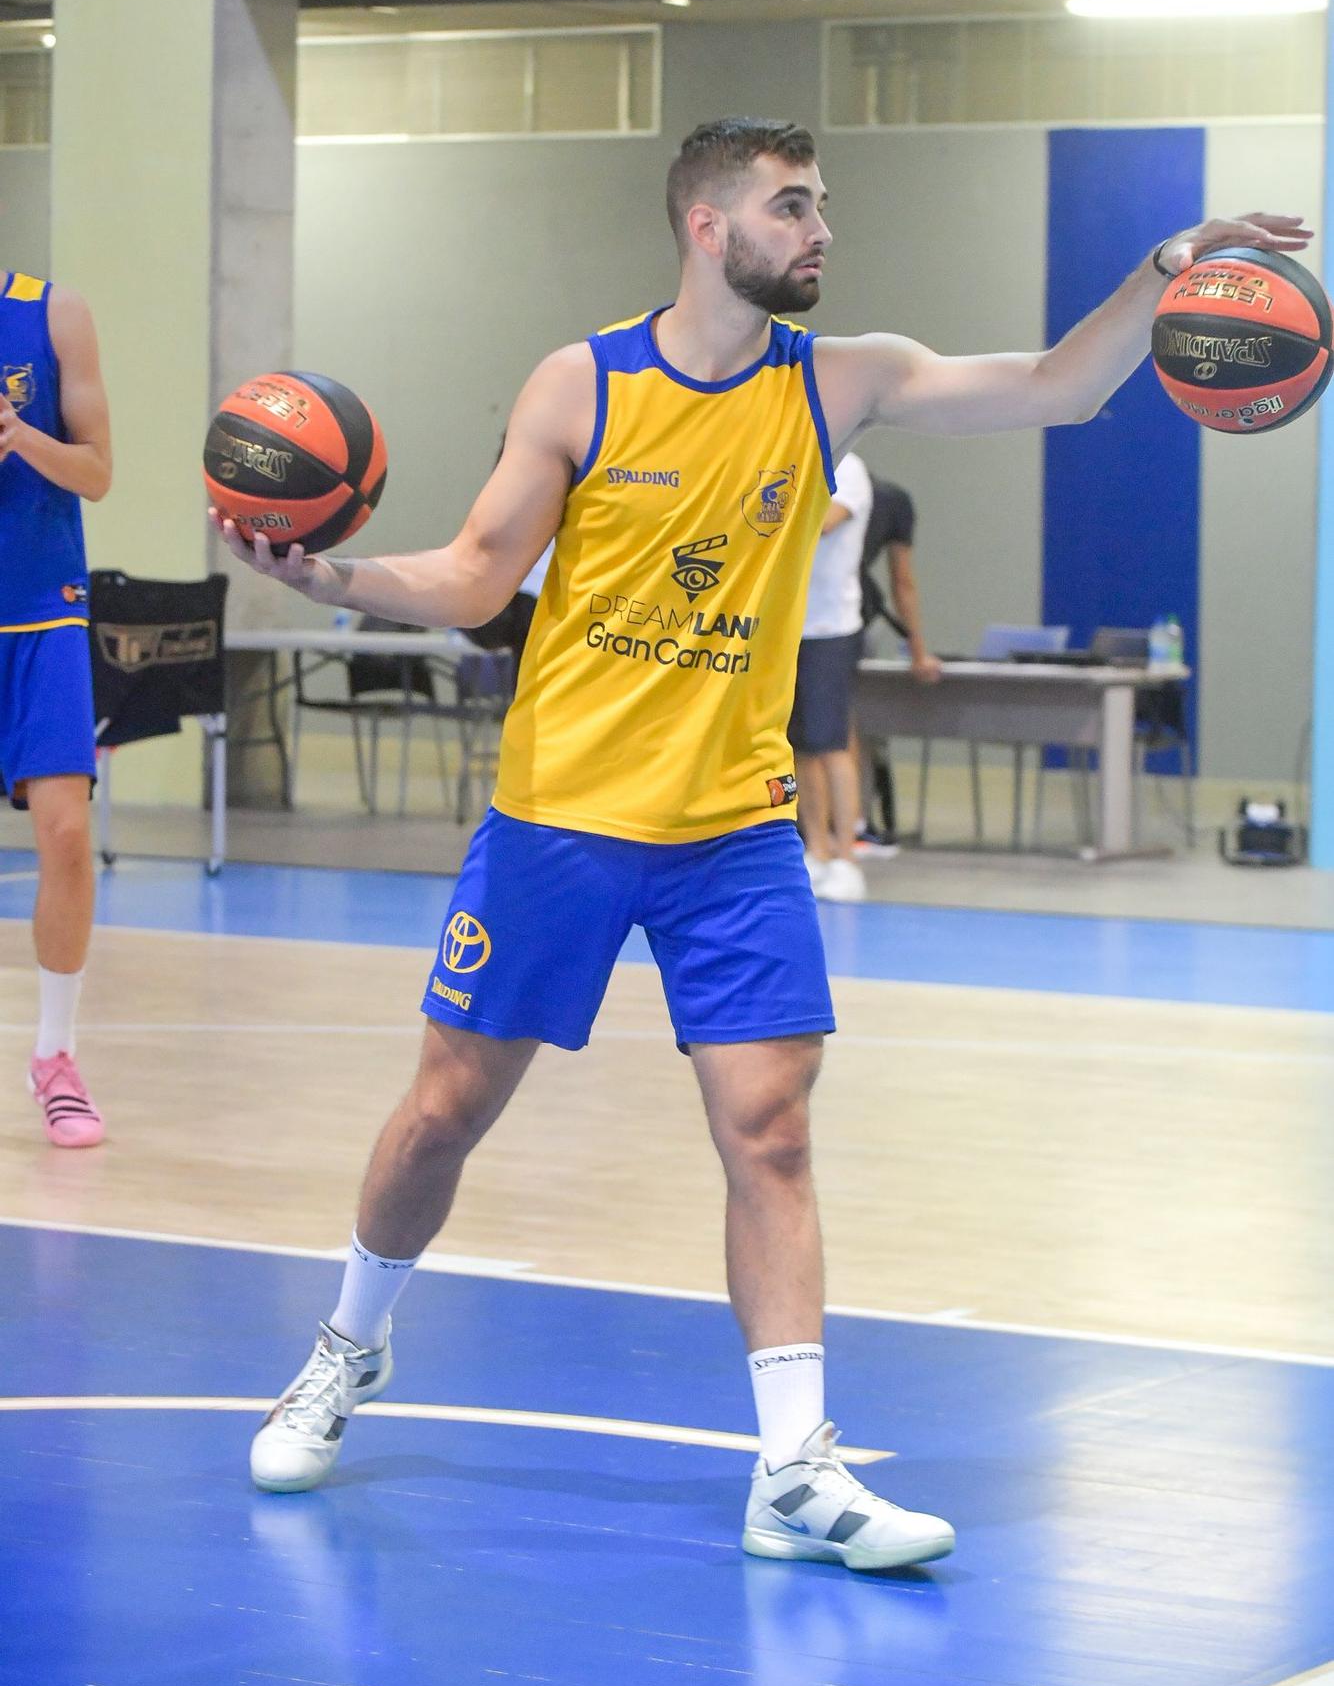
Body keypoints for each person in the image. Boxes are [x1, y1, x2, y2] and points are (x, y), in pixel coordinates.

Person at [213, 121, 1307, 1570]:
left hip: (733, 827)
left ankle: (792, 1469)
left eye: (820, 205)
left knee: (771, 1133)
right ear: (704, 226)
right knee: (441, 1116)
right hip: (561, 816)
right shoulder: (581, 382)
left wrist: (1164, 271)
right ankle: (348, 1345)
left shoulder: (836, 381)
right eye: (790, 207)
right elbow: (479, 573)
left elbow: (1053, 385)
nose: (818, 230)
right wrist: (326, 575)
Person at [0, 270, 112, 1147]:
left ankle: (55, 1056)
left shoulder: (50, 310)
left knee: (67, 835)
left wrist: (19, 436)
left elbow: (98, 472)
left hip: (43, 609)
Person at [790, 447, 873, 902]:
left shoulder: (849, 469)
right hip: (788, 627)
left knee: (832, 745)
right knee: (802, 746)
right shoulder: (793, 459)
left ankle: (847, 856)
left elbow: (819, 523)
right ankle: (816, 849)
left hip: (831, 628)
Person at [857, 474, 941, 850]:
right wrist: (918, 650)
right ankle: (853, 824)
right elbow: (902, 581)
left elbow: (902, 581)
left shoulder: (884, 498)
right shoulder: (885, 497)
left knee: (847, 729)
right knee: (847, 730)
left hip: (844, 620)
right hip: (838, 620)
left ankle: (854, 824)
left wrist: (918, 650)